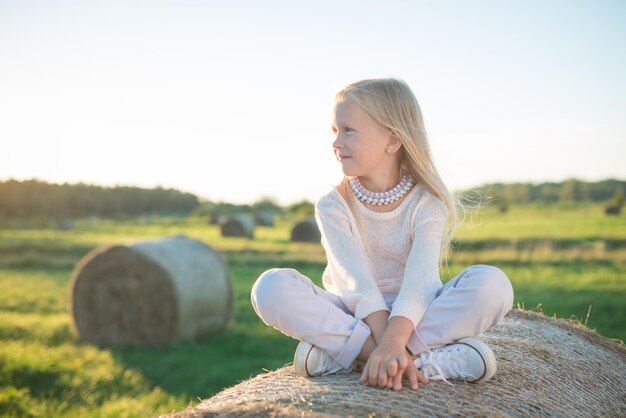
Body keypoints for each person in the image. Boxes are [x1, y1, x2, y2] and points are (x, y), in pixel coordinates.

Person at [251, 78, 514, 391]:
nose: (336, 142)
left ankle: (347, 356)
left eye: (348, 130)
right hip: (354, 314)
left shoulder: (427, 204)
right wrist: (386, 345)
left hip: (418, 314)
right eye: (335, 130)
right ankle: (419, 361)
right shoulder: (333, 205)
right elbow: (356, 285)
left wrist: (393, 340)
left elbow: (420, 284)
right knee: (269, 288)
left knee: (494, 286)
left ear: (392, 140)